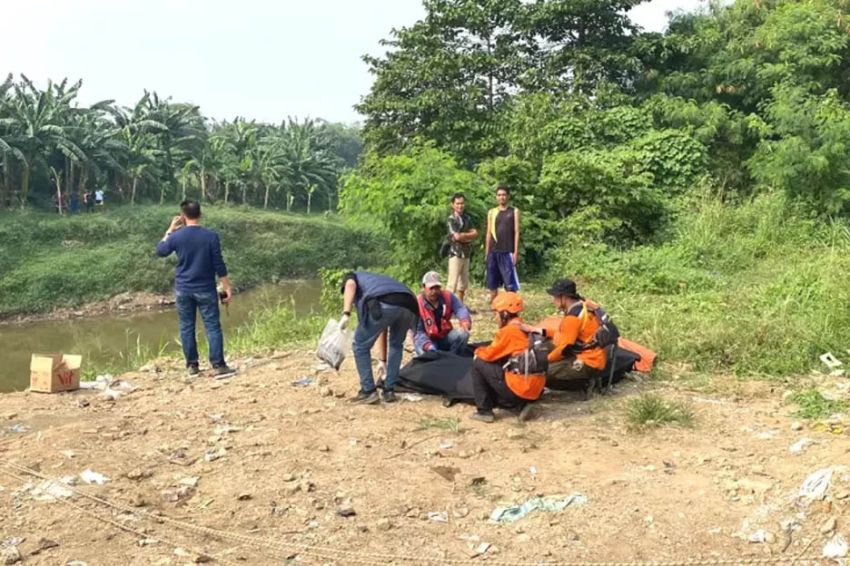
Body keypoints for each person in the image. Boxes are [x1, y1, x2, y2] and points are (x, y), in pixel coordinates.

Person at [155, 200, 236, 379]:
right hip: (206, 288)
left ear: (183, 216)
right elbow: (218, 264)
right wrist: (226, 286)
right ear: (200, 215)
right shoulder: (211, 236)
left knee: (186, 326)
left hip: (183, 289)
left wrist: (169, 230)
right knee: (212, 326)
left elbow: (160, 251)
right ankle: (218, 365)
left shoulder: (176, 237)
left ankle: (192, 366)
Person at [339, 271, 419, 404]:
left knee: (360, 345)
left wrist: (346, 314)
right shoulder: (376, 282)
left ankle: (368, 390)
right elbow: (381, 327)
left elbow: (350, 284)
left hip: (385, 304)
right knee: (396, 344)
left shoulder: (353, 276)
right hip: (409, 304)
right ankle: (389, 390)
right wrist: (382, 360)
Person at [469, 292, 544, 423]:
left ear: (504, 314)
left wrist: (477, 351)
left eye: (496, 313)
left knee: (478, 361)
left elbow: (488, 355)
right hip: (535, 390)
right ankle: (523, 404)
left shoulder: (509, 331)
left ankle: (484, 411)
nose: (495, 317)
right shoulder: (525, 328)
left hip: (519, 389)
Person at [530, 279, 607, 396]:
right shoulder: (583, 307)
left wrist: (543, 362)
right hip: (594, 356)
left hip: (588, 362)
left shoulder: (573, 318)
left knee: (541, 373)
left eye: (555, 297)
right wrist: (542, 331)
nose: (553, 300)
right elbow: (563, 335)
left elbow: (563, 349)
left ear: (564, 297)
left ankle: (583, 384)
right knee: (546, 348)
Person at [413, 271, 472, 355]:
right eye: (431, 288)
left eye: (437, 288)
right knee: (426, 355)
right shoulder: (416, 304)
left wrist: (465, 320)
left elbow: (460, 308)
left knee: (463, 334)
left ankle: (452, 359)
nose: (434, 291)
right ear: (423, 287)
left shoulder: (447, 296)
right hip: (427, 340)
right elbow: (418, 333)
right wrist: (429, 346)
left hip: (445, 336)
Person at [485, 185, 520, 302]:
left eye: (504, 195)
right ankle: (495, 308)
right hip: (493, 252)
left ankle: (512, 307)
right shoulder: (492, 212)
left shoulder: (514, 211)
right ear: (496, 197)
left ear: (508, 196)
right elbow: (489, 233)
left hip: (507, 252)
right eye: (499, 195)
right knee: (492, 283)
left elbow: (516, 232)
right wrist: (487, 252)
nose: (501, 197)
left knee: (510, 284)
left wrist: (515, 252)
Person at [446, 193, 478, 302]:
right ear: (453, 205)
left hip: (466, 252)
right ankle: (448, 308)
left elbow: (475, 233)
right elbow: (456, 236)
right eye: (458, 203)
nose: (460, 206)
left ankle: (460, 306)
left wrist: (463, 236)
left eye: (462, 203)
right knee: (452, 283)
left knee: (463, 283)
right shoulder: (451, 219)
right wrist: (467, 236)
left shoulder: (467, 218)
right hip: (455, 252)